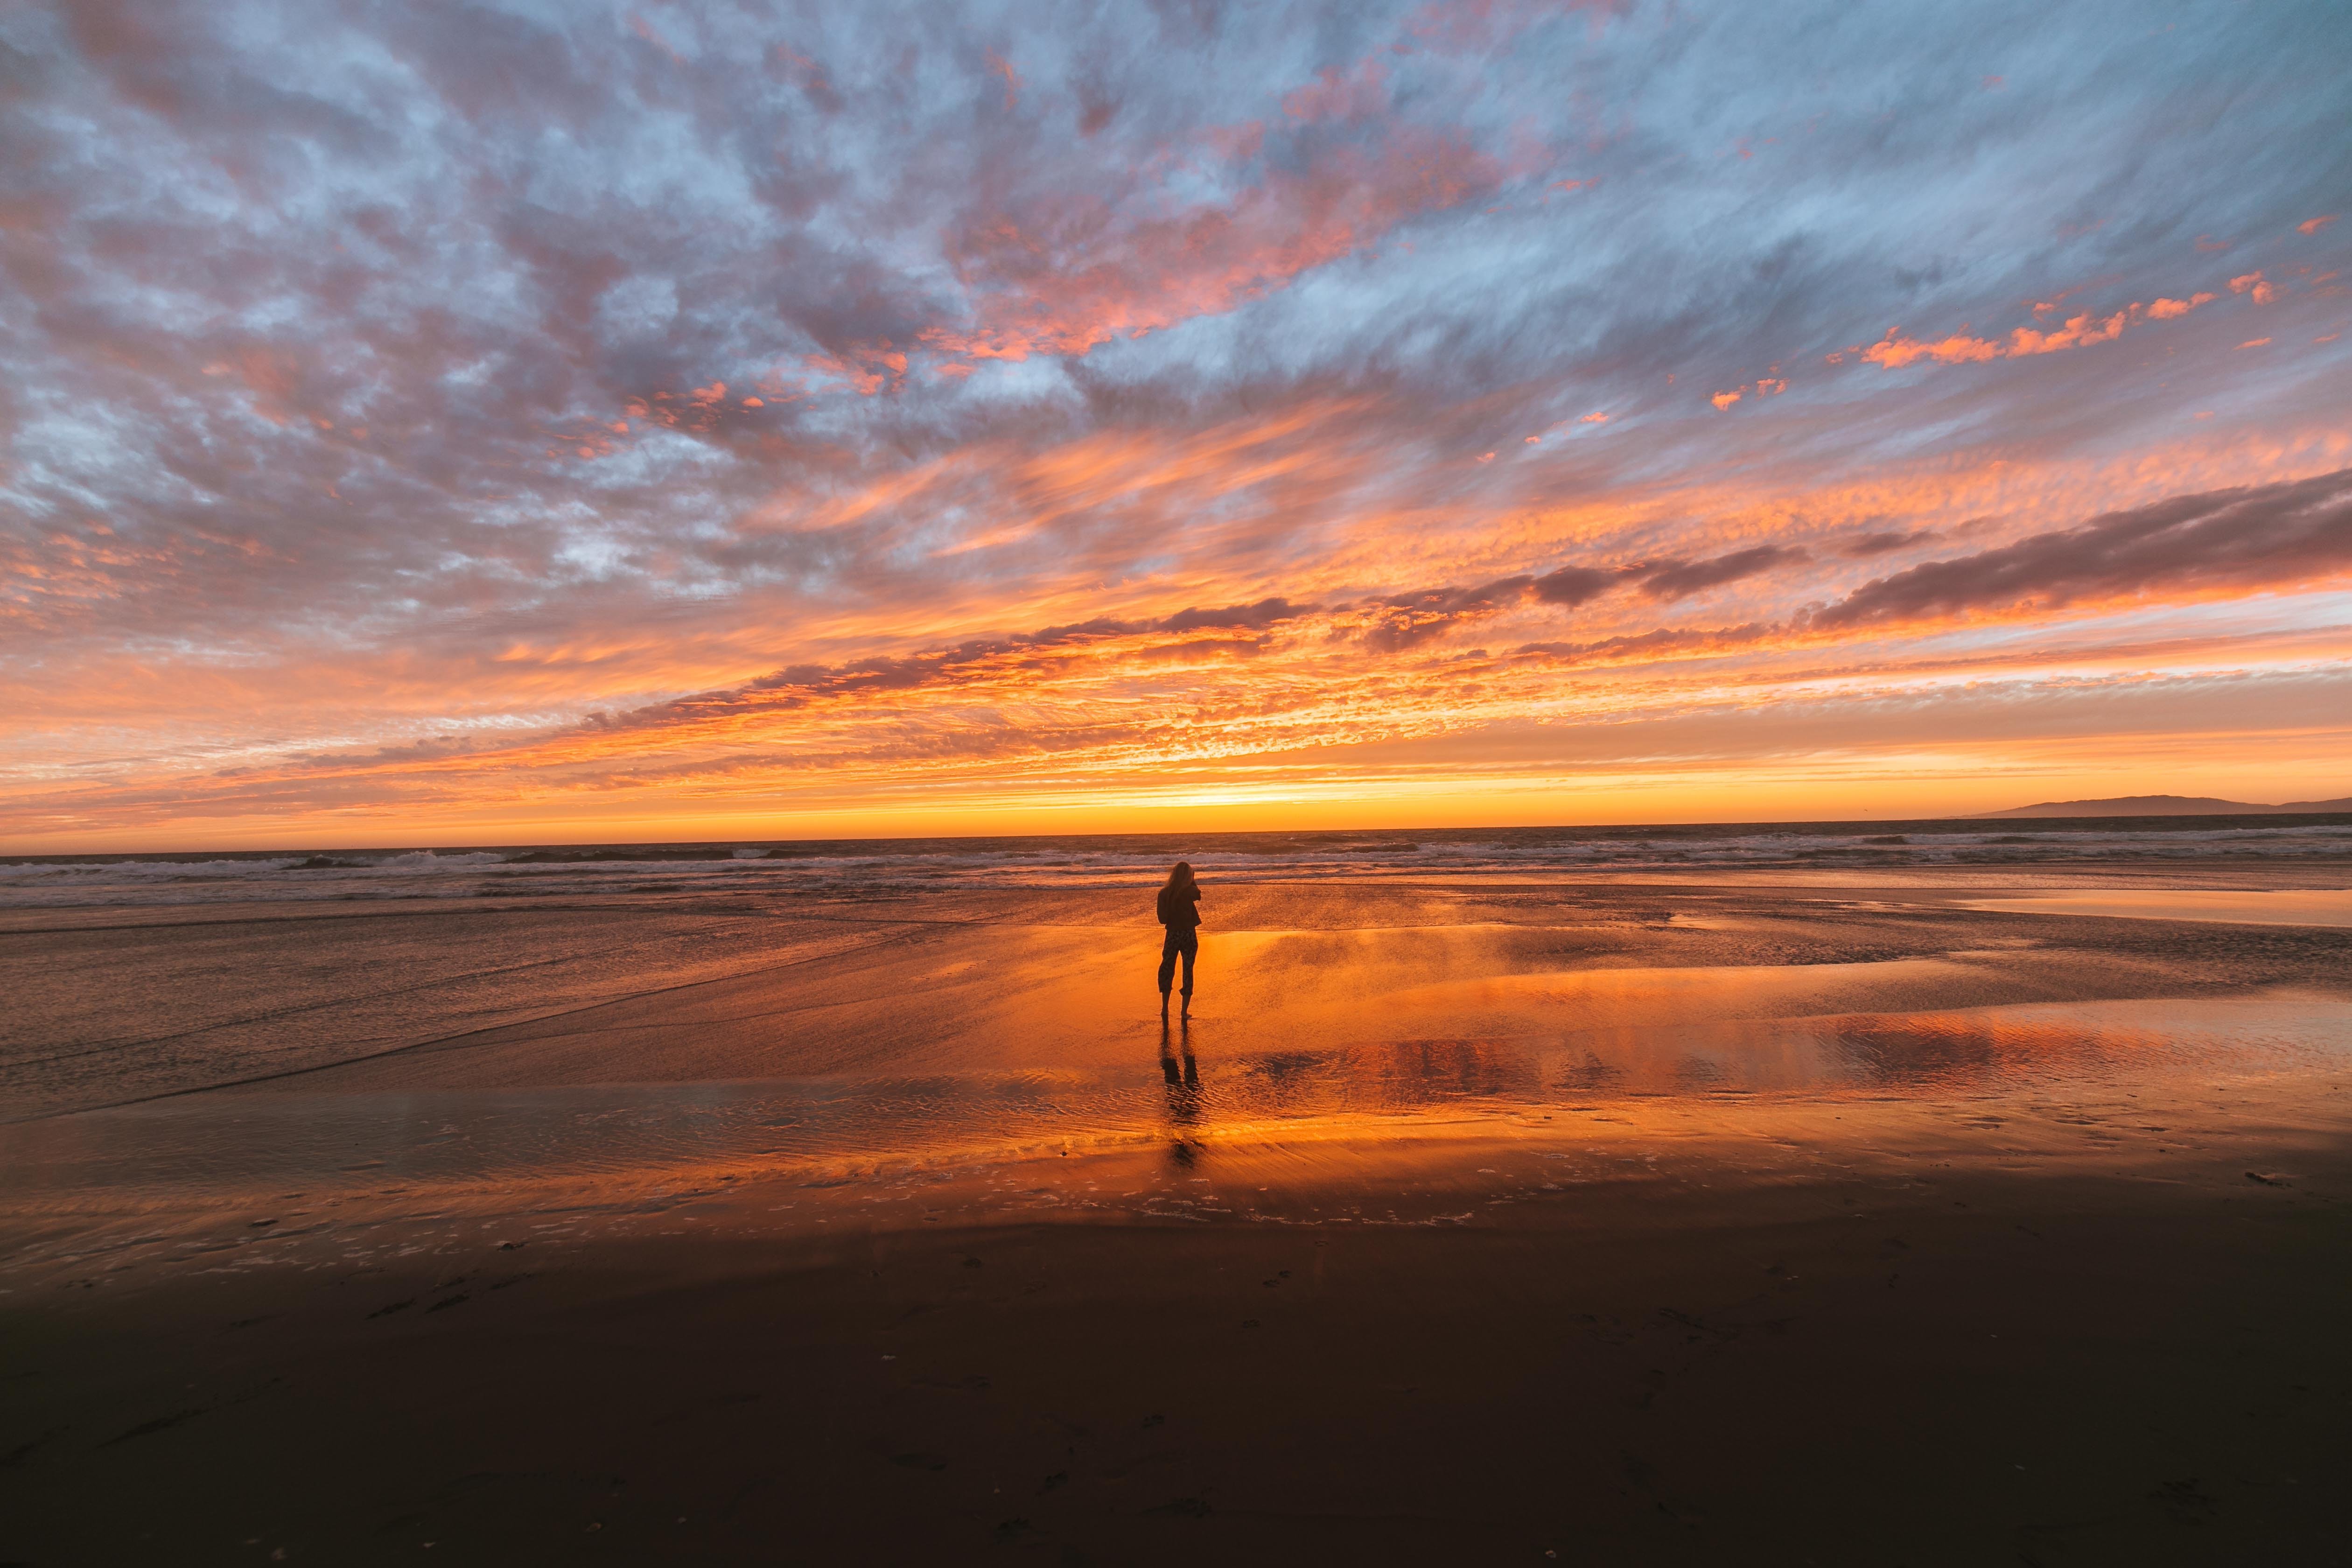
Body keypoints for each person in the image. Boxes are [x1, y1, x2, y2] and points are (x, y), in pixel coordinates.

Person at [1155, 861, 1202, 1015]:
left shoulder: (1164, 894)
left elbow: (1162, 920)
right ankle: (1183, 1011)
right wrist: (1191, 879)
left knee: (1167, 968)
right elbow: (1198, 893)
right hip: (1188, 934)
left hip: (1173, 935)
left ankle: (1165, 1008)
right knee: (1188, 970)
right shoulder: (1190, 891)